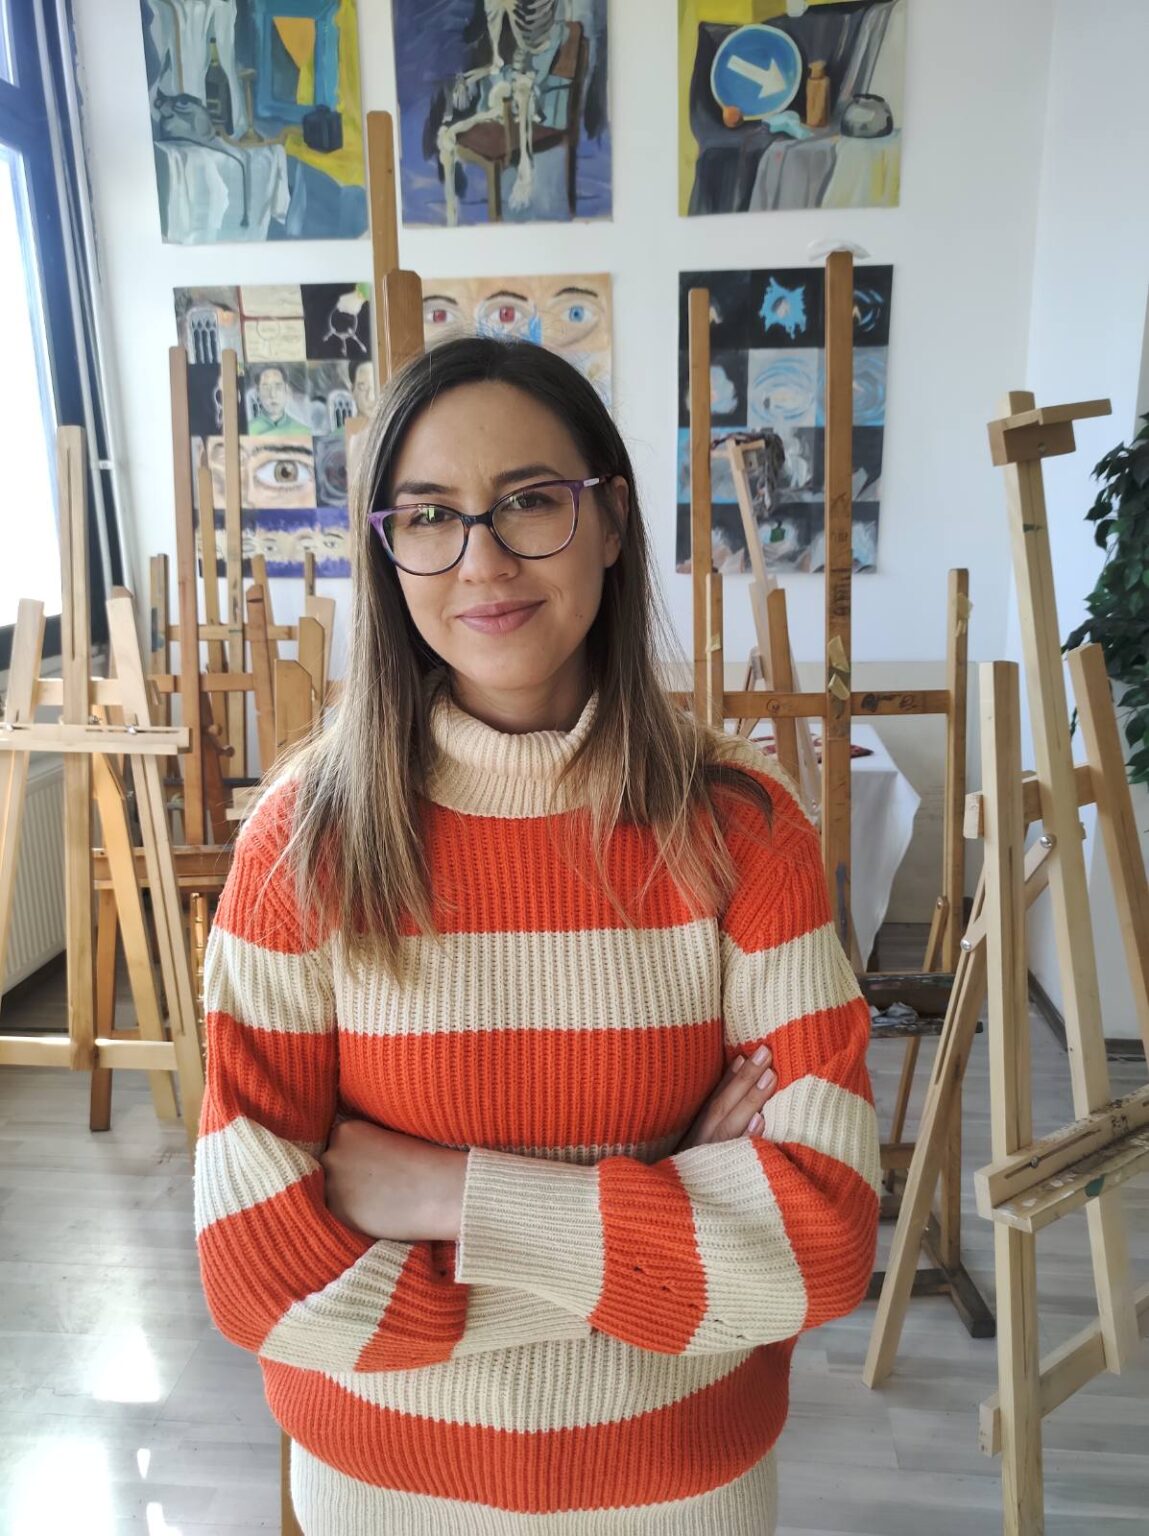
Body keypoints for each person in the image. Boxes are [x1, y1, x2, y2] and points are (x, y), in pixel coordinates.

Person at [194, 337, 880, 1535]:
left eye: (529, 501)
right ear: (387, 551)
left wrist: (449, 1195)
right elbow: (259, 1274)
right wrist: (660, 1219)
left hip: (679, 1497)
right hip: (379, 1499)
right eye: (429, 515)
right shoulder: (304, 842)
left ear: (610, 520)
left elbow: (820, 1244)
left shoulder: (742, 827)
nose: (482, 559)